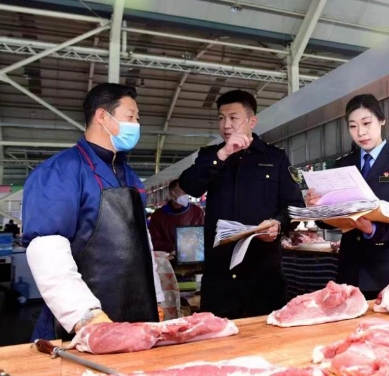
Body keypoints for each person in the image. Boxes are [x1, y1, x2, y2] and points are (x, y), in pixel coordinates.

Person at [23, 83, 164, 340]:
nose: (136, 125)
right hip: (78, 327)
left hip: (136, 317)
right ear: (102, 116)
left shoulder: (130, 177)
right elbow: (46, 248)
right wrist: (86, 317)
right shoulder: (60, 171)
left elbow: (143, 244)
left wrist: (157, 298)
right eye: (131, 117)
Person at [179, 89, 304, 319]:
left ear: (252, 121)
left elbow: (294, 206)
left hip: (263, 275)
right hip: (220, 277)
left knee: (268, 341)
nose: (226, 125)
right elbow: (189, 185)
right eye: (221, 118)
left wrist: (278, 224)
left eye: (233, 118)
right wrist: (223, 154)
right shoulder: (211, 156)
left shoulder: (275, 158)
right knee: (218, 345)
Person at [305, 94, 389, 300]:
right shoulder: (342, 165)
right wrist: (318, 208)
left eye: (366, 123)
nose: (360, 132)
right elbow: (329, 223)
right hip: (350, 268)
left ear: (381, 120)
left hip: (387, 269)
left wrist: (372, 229)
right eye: (353, 126)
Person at [149, 179, 205, 257]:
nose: (186, 194)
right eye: (183, 192)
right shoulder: (158, 216)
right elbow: (154, 241)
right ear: (172, 194)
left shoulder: (197, 212)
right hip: (168, 261)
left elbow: (202, 237)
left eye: (187, 191)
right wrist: (173, 247)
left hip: (193, 258)